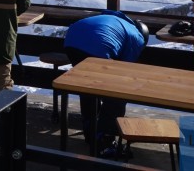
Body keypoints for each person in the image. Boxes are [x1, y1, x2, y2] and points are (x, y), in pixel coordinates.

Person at [63, 10, 149, 155]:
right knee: (118, 94)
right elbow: (125, 68)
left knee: (87, 86)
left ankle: (90, 132)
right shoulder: (137, 36)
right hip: (98, 46)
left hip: (71, 42)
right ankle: (105, 141)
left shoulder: (117, 20)